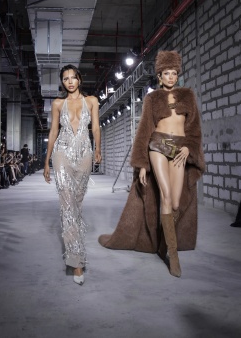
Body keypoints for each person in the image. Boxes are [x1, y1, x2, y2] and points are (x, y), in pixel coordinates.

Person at [98, 50, 205, 278]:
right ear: (159, 75)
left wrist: (189, 148)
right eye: (166, 73)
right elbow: (144, 130)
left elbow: (194, 129)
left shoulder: (187, 96)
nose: (170, 77)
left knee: (175, 202)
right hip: (158, 145)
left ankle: (164, 244)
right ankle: (173, 256)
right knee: (165, 195)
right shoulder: (152, 98)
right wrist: (142, 165)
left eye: (174, 73)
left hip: (180, 148)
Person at [44, 64, 101, 285]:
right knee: (67, 206)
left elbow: (95, 128)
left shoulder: (92, 101)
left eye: (73, 77)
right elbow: (53, 131)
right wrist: (47, 161)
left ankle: (75, 243)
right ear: (62, 82)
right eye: (65, 78)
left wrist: (98, 148)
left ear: (79, 79)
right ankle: (76, 261)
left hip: (85, 153)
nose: (70, 81)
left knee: (76, 203)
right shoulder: (58, 104)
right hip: (62, 153)